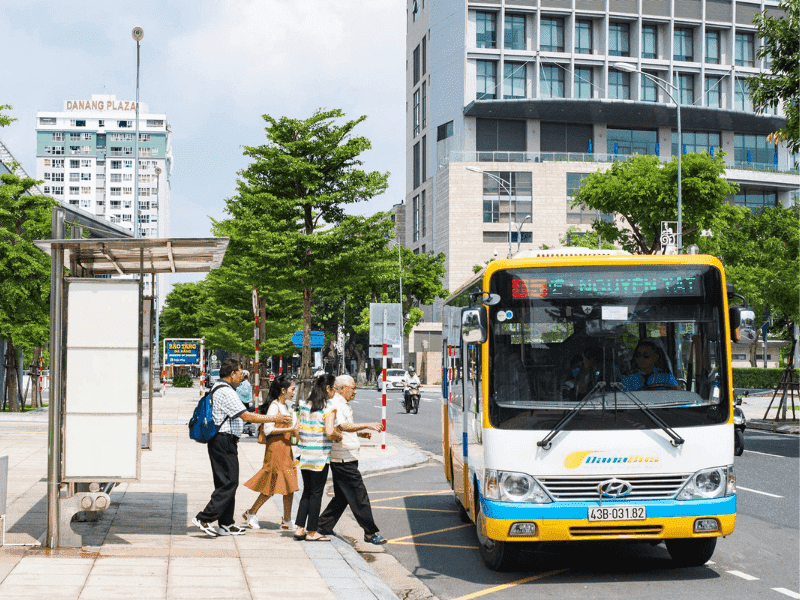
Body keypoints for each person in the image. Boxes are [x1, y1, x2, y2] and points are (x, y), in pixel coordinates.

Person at [192, 359, 292, 538]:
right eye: (240, 372)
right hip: (223, 441)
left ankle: (226, 524)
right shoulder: (226, 391)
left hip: (223, 441)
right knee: (229, 483)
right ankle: (203, 518)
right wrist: (274, 418)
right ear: (232, 374)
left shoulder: (220, 388)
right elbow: (246, 416)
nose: (242, 376)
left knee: (226, 482)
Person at [317, 375, 386, 545]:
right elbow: (342, 426)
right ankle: (370, 532)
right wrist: (367, 425)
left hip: (347, 456)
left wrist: (359, 432)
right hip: (343, 458)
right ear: (341, 389)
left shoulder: (342, 403)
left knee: (342, 497)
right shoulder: (336, 404)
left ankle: (323, 525)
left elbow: (346, 427)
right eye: (352, 388)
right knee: (358, 495)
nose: (355, 391)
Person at [241, 376, 299, 531]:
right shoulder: (274, 407)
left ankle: (287, 520)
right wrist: (289, 430)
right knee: (270, 486)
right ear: (283, 390)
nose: (294, 392)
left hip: (286, 449)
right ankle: (251, 512)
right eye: (292, 389)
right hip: (275, 450)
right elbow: (268, 430)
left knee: (290, 485)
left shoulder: (286, 406)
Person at [294, 373, 340, 542]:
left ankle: (299, 528)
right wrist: (337, 436)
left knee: (307, 490)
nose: (334, 392)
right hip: (319, 456)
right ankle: (312, 531)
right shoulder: (328, 407)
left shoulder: (305, 405)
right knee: (316, 493)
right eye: (334, 388)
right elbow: (329, 431)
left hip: (303, 454)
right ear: (327, 388)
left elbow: (296, 430)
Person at [237, 370, 256, 437]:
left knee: (245, 414)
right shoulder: (242, 383)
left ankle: (248, 428)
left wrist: (238, 389)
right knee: (246, 417)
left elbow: (245, 393)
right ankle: (249, 429)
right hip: (243, 401)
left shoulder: (245, 383)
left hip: (244, 401)